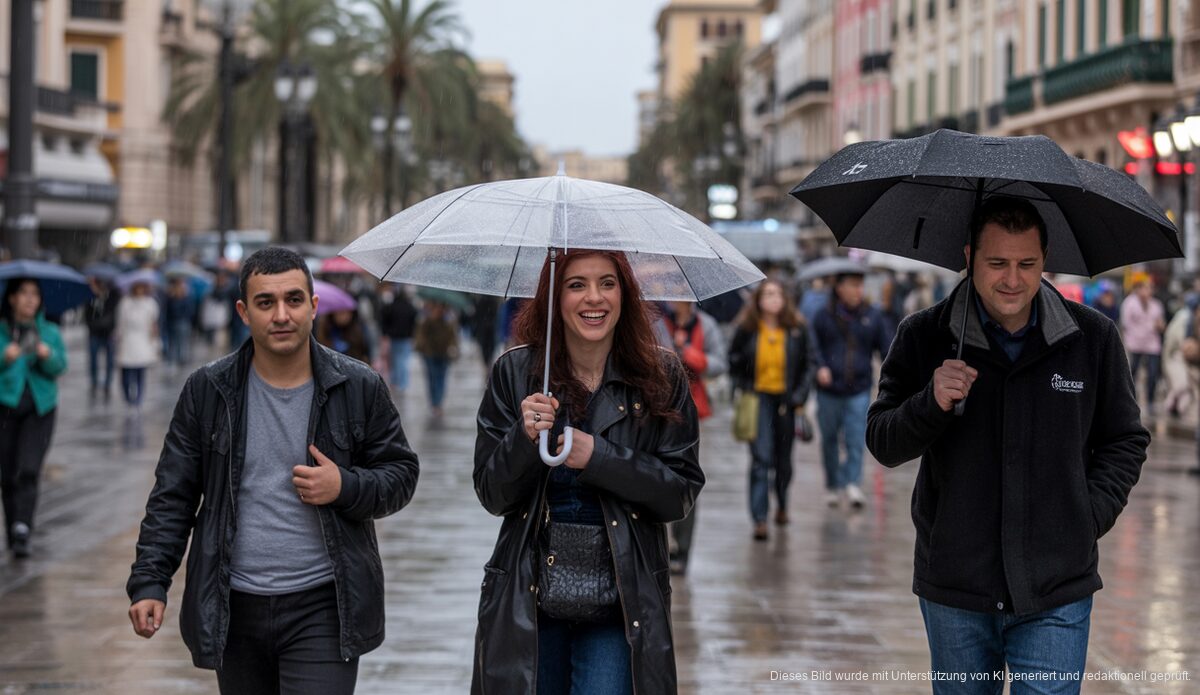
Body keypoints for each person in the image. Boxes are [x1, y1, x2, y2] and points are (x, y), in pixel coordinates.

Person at [866, 196, 1149, 691]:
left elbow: (1124, 440)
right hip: (956, 585)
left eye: (1027, 264)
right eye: (997, 263)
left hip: (1058, 584)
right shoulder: (924, 335)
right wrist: (929, 402)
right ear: (969, 256)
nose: (1013, 280)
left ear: (1045, 260)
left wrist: (1086, 516)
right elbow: (883, 441)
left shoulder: (1093, 339)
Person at [126, 247, 420, 694]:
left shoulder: (358, 385)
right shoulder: (208, 391)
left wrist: (345, 485)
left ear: (313, 305)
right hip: (234, 604)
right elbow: (173, 495)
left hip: (325, 603)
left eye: (294, 300)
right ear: (244, 311)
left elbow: (401, 474)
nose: (281, 315)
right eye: (266, 302)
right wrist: (150, 580)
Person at [472, 249, 703, 695]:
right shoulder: (517, 373)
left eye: (607, 283)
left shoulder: (663, 375)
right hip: (529, 593)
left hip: (623, 597)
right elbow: (492, 494)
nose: (593, 298)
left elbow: (678, 494)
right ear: (554, 297)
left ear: (625, 294)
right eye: (576, 284)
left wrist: (599, 457)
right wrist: (523, 439)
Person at [728, 279, 815, 541]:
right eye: (768, 294)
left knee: (783, 461)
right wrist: (744, 380)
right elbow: (733, 359)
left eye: (777, 293)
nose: (773, 298)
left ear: (785, 299)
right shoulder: (747, 329)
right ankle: (759, 519)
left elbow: (809, 364)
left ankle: (782, 504)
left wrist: (799, 395)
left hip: (786, 402)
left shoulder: (797, 329)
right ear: (758, 300)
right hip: (758, 400)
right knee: (761, 459)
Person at [653, 300, 726, 574]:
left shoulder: (705, 324)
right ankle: (660, 545)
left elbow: (719, 363)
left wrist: (690, 354)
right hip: (655, 408)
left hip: (692, 411)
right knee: (654, 477)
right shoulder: (655, 322)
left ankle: (682, 549)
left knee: (685, 479)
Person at [810, 271, 893, 509]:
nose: (858, 290)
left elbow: (886, 350)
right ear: (839, 288)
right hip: (829, 389)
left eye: (860, 285)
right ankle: (833, 484)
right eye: (853, 285)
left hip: (858, 387)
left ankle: (852, 482)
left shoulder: (872, 316)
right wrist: (820, 366)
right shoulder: (823, 316)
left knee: (856, 437)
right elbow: (813, 347)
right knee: (829, 439)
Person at [0, 278, 67, 558]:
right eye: (24, 294)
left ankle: (22, 527)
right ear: (12, 298)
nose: (30, 300)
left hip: (40, 408)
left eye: (35, 295)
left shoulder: (48, 331)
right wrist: (5, 357)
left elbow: (60, 366)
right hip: (5, 406)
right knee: (7, 473)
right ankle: (12, 525)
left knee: (28, 468)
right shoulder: (3, 331)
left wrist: (46, 354)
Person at [1120, 276, 1165, 413]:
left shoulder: (1156, 305)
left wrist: (1160, 326)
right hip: (1135, 342)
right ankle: (1131, 399)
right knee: (1133, 371)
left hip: (1152, 343)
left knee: (1152, 373)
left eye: (1150, 288)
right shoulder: (1129, 303)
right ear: (1138, 289)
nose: (1148, 291)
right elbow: (1125, 324)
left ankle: (1150, 401)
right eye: (1145, 287)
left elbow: (1161, 325)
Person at [115, 281, 160, 411]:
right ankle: (129, 399)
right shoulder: (125, 303)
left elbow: (153, 322)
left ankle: (138, 400)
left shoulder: (150, 304)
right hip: (128, 340)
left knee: (140, 371)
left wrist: (154, 339)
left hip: (143, 341)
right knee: (127, 373)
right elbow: (120, 322)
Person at [413, 301, 458, 417]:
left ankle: (438, 403)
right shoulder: (426, 320)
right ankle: (434, 402)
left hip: (443, 354)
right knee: (432, 378)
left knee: (441, 378)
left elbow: (453, 338)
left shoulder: (449, 321)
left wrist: (453, 348)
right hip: (429, 354)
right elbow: (420, 336)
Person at [85, 276, 120, 400]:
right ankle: (94, 382)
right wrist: (94, 296)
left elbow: (114, 311)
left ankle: (107, 383)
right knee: (93, 359)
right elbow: (87, 315)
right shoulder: (90, 296)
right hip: (94, 333)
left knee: (110, 360)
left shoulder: (113, 294)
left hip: (108, 333)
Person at [380, 285, 418, 392]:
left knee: (395, 360)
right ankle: (403, 383)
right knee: (403, 361)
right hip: (406, 338)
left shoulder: (391, 307)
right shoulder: (410, 307)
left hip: (394, 337)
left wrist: (386, 332)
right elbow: (414, 321)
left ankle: (395, 382)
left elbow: (384, 320)